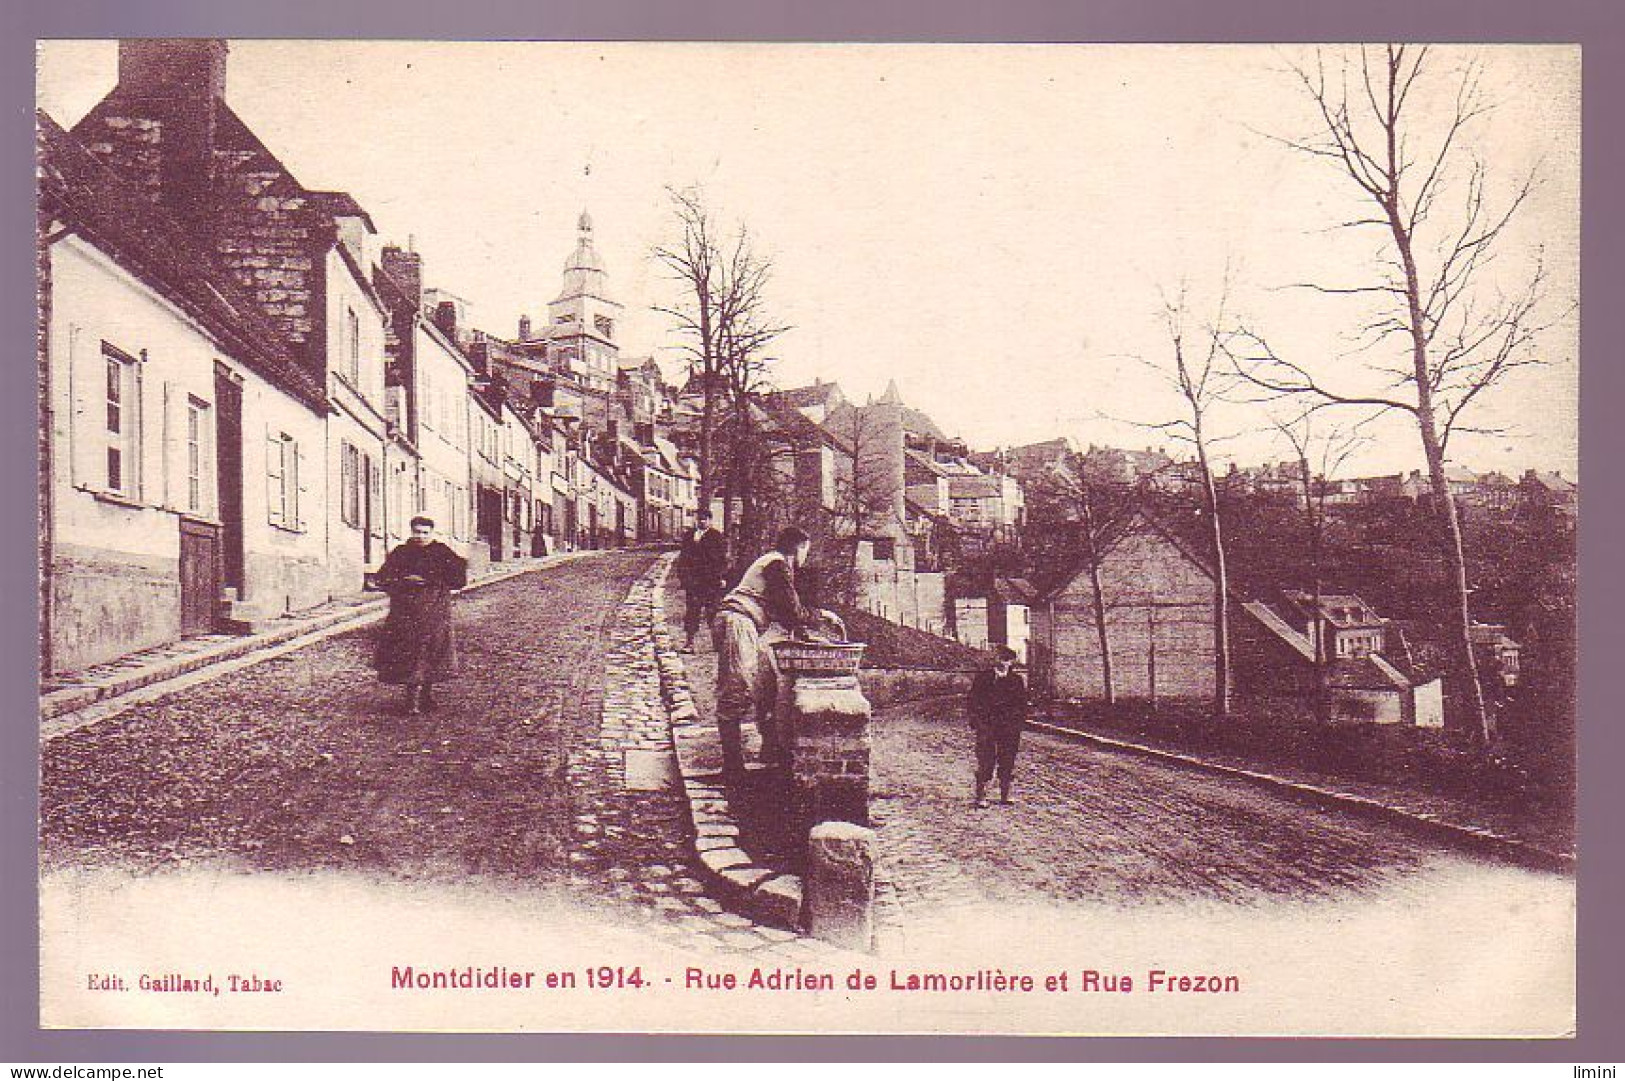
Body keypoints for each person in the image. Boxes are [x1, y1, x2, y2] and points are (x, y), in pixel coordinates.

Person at [711, 525, 816, 776]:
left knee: (758, 685)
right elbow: (790, 608)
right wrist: (813, 618)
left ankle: (761, 751)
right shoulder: (777, 564)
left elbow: (783, 611)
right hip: (738, 621)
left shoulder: (771, 563)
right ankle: (733, 767)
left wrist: (800, 627)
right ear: (798, 547)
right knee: (737, 688)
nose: (805, 558)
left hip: (737, 621)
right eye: (805, 551)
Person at [373, 515, 468, 715]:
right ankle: (411, 700)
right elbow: (382, 578)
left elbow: (459, 579)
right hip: (405, 611)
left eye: (425, 533)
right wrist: (403, 581)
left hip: (434, 609)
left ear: (432, 533)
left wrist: (430, 580)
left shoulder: (442, 552)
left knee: (431, 648)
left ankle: (426, 695)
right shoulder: (401, 553)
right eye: (417, 532)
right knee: (409, 650)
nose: (421, 536)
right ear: (411, 531)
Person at [968, 644, 1027, 808]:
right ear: (995, 660)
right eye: (1001, 658)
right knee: (986, 759)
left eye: (1007, 659)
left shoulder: (1016, 681)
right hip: (987, 725)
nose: (1004, 662)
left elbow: (1021, 704)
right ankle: (981, 796)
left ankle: (1005, 794)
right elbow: (973, 700)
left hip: (1008, 727)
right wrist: (977, 722)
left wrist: (1017, 723)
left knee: (1007, 759)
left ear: (1012, 662)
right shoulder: (984, 678)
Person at [675, 510, 727, 652]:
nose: (701, 522)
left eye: (704, 519)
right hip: (693, 581)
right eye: (699, 519)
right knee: (692, 611)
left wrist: (722, 577)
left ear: (710, 520)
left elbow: (722, 559)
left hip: (711, 581)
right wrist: (683, 577)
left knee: (713, 612)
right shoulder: (689, 535)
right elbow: (683, 557)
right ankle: (689, 643)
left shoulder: (717, 536)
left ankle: (717, 643)